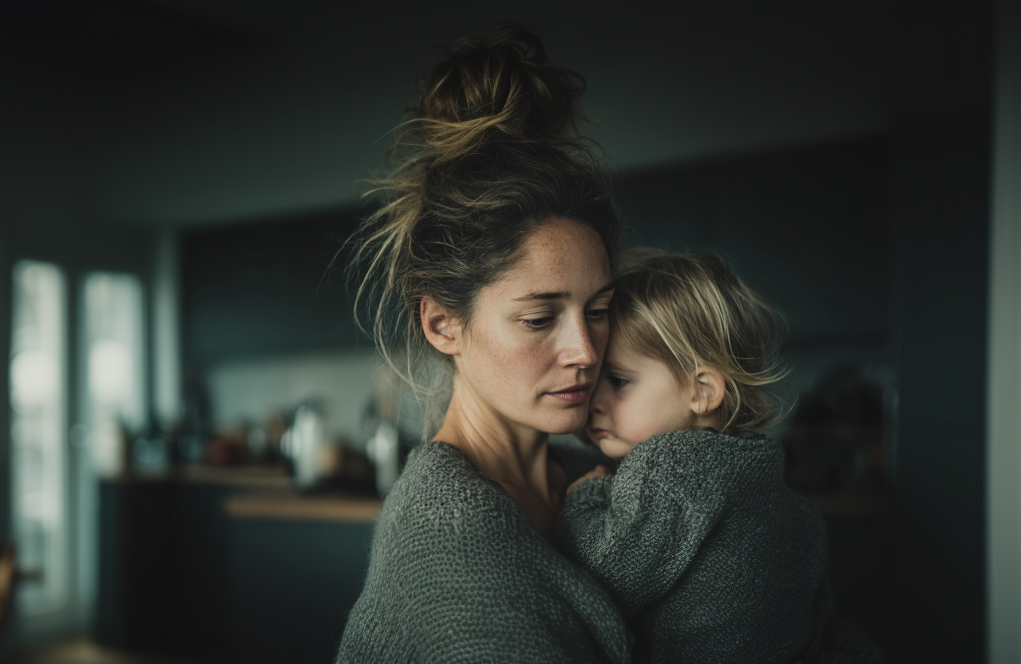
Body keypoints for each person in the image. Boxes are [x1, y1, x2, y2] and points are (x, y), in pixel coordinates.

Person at [335, 25, 633, 663]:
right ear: (443, 324)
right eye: (538, 319)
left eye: (599, 311)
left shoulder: (590, 477)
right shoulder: (449, 536)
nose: (586, 350)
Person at [556, 250, 886, 663]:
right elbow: (818, 620)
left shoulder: (670, 465)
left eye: (618, 381)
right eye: (594, 380)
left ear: (703, 391)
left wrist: (585, 496)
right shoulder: (776, 489)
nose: (594, 401)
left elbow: (602, 569)